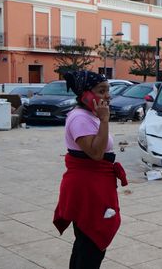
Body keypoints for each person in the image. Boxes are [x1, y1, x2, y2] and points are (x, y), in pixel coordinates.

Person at [53, 70, 127, 269]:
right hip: (87, 187)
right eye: (101, 91)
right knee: (91, 242)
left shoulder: (88, 115)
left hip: (94, 185)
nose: (107, 96)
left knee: (85, 243)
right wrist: (104, 120)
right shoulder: (80, 119)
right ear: (85, 94)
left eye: (108, 91)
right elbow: (96, 154)